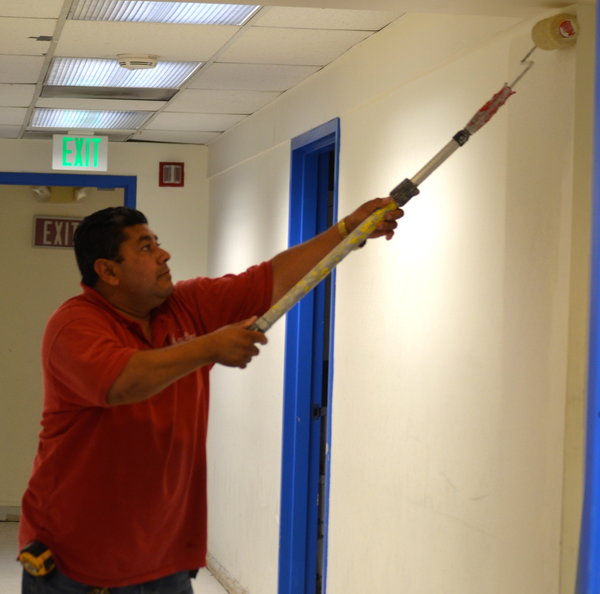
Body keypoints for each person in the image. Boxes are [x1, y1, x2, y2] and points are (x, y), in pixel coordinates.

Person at [19, 198, 403, 593]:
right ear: (108, 271)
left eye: (157, 242)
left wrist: (346, 233)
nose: (163, 254)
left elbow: (267, 281)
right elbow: (121, 383)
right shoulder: (74, 325)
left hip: (164, 554)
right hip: (77, 558)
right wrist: (208, 347)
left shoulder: (187, 306)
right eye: (145, 248)